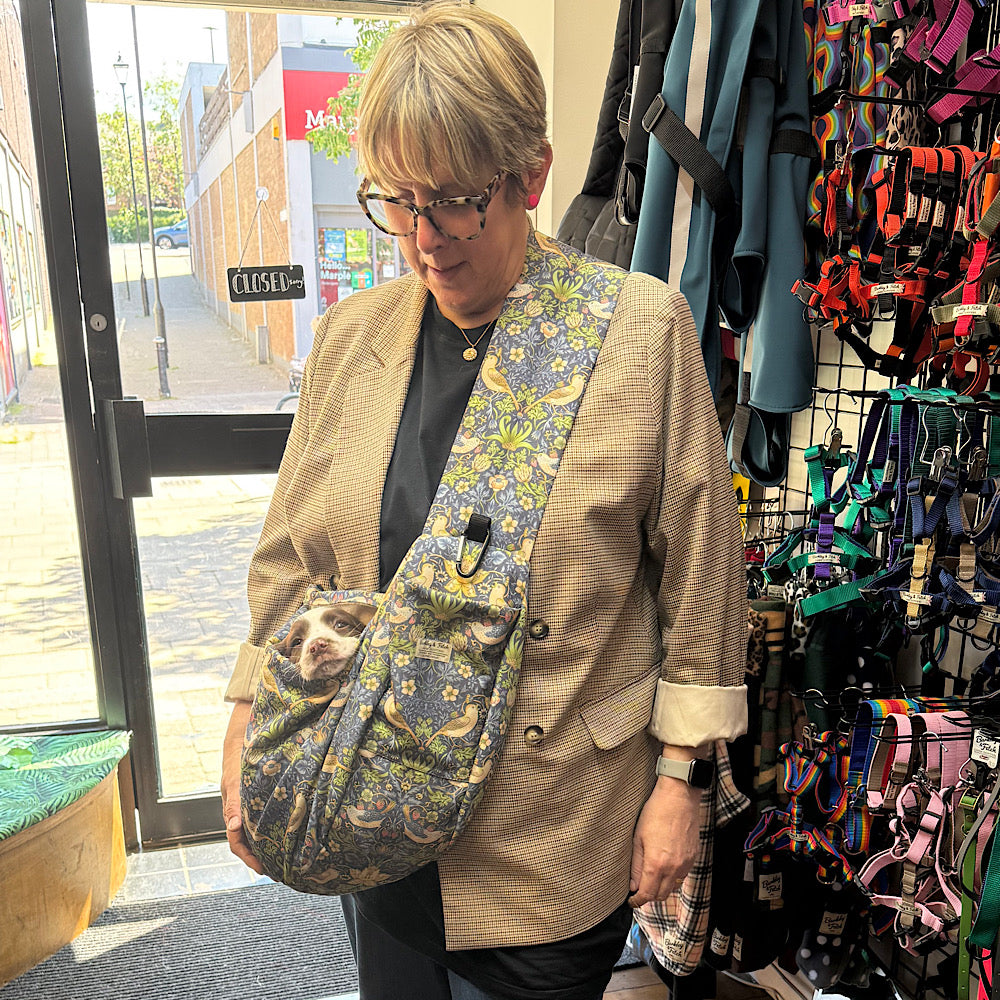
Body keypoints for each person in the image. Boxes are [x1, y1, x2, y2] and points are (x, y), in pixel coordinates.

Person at [220, 4, 748, 999]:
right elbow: (290, 559)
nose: (425, 240)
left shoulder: (638, 332)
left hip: (550, 836)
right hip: (373, 814)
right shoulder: (352, 339)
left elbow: (703, 583)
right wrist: (251, 719)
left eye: (457, 204)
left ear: (532, 176)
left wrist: (682, 780)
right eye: (397, 201)